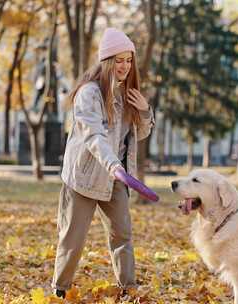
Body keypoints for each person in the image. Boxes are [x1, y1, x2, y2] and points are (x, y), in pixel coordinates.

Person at [52, 28, 154, 298]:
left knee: (123, 235)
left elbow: (140, 134)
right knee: (73, 239)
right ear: (107, 61)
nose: (125, 66)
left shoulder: (127, 93)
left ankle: (128, 290)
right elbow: (93, 136)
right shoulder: (89, 93)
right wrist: (113, 166)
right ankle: (60, 289)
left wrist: (144, 111)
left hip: (115, 178)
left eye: (129, 60)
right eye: (118, 60)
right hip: (85, 177)